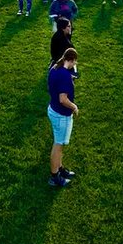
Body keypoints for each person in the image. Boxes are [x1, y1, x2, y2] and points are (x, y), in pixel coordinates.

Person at [47, 47, 79, 187]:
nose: (75, 65)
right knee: (58, 145)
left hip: (53, 109)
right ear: (71, 60)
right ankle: (55, 176)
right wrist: (74, 107)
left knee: (58, 143)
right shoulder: (65, 76)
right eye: (75, 62)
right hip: (61, 115)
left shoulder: (54, 68)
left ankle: (60, 169)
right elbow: (63, 99)